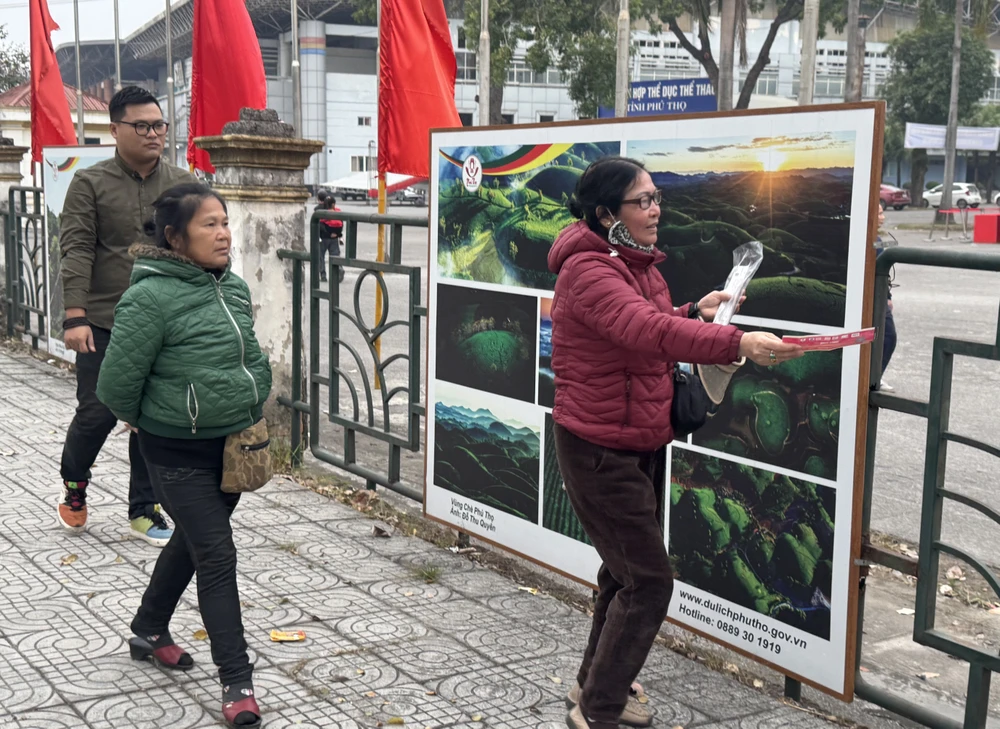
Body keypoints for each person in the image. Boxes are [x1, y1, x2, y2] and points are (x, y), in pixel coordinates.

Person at [548, 157, 804, 729]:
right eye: (642, 201)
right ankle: (599, 712)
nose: (656, 209)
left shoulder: (636, 265)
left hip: (638, 440)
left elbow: (651, 321)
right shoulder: (588, 271)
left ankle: (593, 686)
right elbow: (647, 331)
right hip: (598, 449)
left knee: (623, 575)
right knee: (649, 582)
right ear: (606, 213)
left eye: (657, 197)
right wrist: (735, 342)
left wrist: (698, 310)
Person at [95, 183, 272, 729]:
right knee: (217, 555)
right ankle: (236, 683)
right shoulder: (148, 297)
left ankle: (149, 629)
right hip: (173, 452)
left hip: (231, 447)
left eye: (225, 222)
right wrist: (164, 417)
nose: (224, 234)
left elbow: (246, 356)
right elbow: (116, 387)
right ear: (175, 237)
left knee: (193, 544)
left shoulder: (233, 288)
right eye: (209, 225)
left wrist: (252, 391)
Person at [58, 85, 195, 544]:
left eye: (159, 125)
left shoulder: (182, 184)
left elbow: (198, 248)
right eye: (142, 126)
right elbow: (76, 248)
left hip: (162, 321)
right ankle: (75, 486)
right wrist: (74, 315)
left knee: (151, 415)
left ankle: (144, 507)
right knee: (97, 411)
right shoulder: (90, 183)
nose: (153, 133)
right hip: (102, 318)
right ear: (115, 129)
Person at [875, 200, 897, 391]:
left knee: (886, 337)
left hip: (880, 295)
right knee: (888, 336)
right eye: (879, 213)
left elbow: (883, 273)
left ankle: (874, 376)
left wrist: (888, 296)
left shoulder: (878, 240)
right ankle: (872, 378)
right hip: (871, 299)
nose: (883, 218)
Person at [318, 195, 345, 283]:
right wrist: (338, 234)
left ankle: (323, 275)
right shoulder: (338, 212)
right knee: (335, 256)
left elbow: (320, 226)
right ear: (333, 204)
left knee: (320, 256)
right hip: (334, 238)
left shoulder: (322, 213)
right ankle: (338, 271)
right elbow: (341, 225)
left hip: (324, 238)